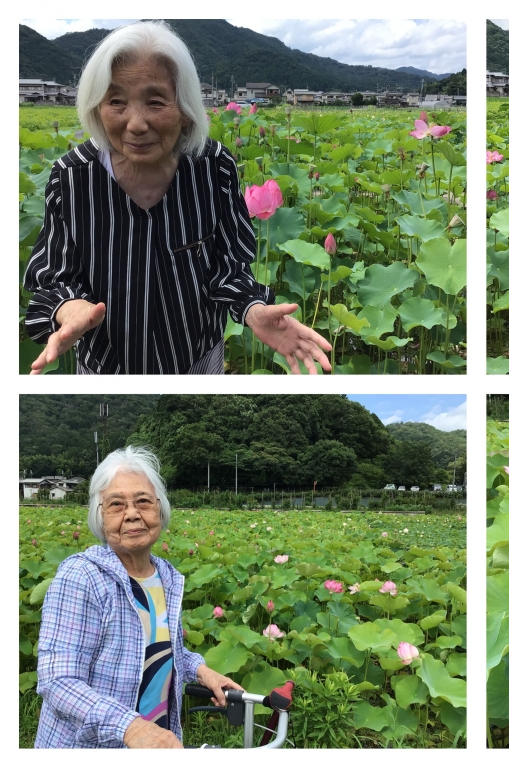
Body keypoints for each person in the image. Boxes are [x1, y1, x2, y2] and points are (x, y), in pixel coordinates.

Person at [24, 21, 332, 375]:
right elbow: (55, 275)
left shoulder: (214, 168)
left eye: (155, 102)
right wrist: (70, 307)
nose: (136, 123)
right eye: (116, 102)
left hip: (198, 360)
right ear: (96, 107)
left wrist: (253, 309)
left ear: (185, 111)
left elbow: (227, 268)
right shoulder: (71, 177)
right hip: (106, 367)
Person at [35, 446, 242, 748]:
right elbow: (58, 681)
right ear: (99, 516)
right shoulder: (82, 576)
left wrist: (202, 671)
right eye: (116, 504)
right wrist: (132, 728)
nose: (132, 514)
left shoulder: (167, 577)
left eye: (143, 501)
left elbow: (161, 651)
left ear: (160, 509)